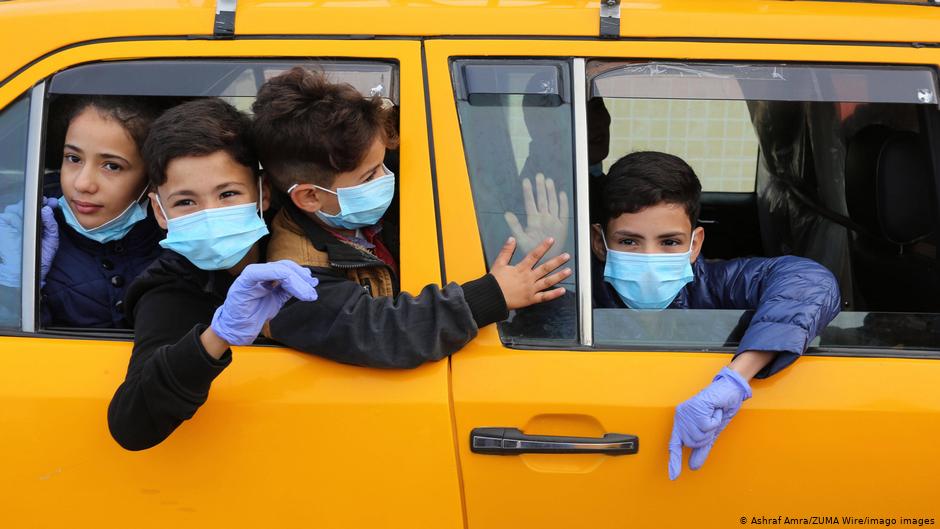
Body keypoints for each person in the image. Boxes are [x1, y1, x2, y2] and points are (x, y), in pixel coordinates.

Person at [250, 66, 572, 367]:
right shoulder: (291, 285)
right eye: (369, 176)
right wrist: (491, 296)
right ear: (309, 196)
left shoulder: (350, 218)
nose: (386, 178)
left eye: (383, 165)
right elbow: (384, 331)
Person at [589, 151, 841, 480]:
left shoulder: (717, 285)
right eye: (629, 241)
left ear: (695, 245)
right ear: (599, 242)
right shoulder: (580, 291)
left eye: (669, 242)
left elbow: (811, 281)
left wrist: (736, 378)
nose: (650, 258)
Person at [108, 98, 319, 450]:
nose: (211, 213)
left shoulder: (305, 238)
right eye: (186, 202)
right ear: (160, 213)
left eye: (228, 194)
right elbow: (132, 425)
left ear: (262, 193)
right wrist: (216, 336)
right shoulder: (169, 289)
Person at [0, 96, 165, 328]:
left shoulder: (177, 237)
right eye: (73, 158)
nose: (82, 183)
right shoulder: (23, 227)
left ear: (151, 178)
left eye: (112, 166)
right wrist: (12, 286)